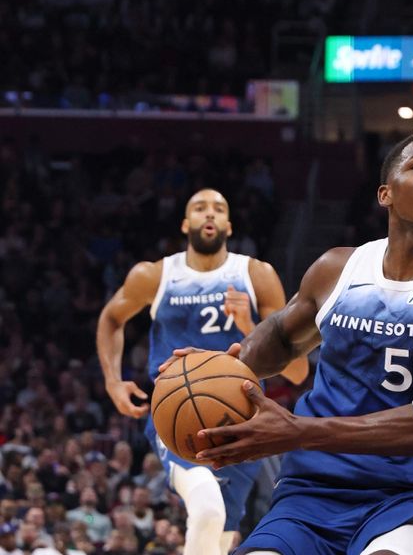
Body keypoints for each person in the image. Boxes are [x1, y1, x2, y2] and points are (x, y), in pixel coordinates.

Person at [161, 131, 413, 554]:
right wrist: (216, 369)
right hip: (312, 490)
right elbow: (280, 338)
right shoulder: (338, 268)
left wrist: (298, 432)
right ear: (385, 194)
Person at [97, 188, 308, 555]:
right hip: (176, 412)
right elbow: (111, 319)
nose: (208, 214)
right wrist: (112, 381)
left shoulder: (256, 275)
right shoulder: (155, 275)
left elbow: (298, 371)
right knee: (207, 507)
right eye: (199, 208)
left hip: (241, 420)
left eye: (218, 209)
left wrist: (250, 326)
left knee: (222, 535)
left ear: (229, 224)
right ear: (185, 223)